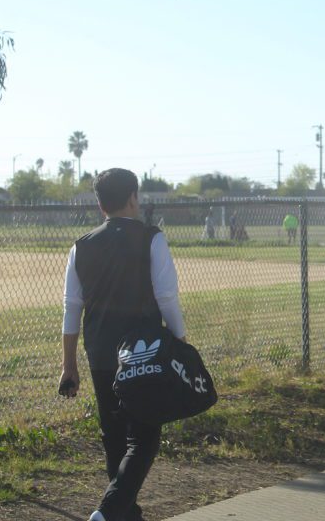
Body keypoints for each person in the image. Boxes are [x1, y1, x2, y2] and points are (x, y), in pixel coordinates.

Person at [58, 168, 188, 521]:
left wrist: (69, 366)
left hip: (100, 353)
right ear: (133, 198)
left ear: (100, 204)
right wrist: (181, 342)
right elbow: (167, 297)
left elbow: (72, 307)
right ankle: (107, 512)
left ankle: (126, 515)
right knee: (144, 439)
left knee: (114, 437)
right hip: (143, 355)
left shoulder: (81, 246)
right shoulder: (152, 238)